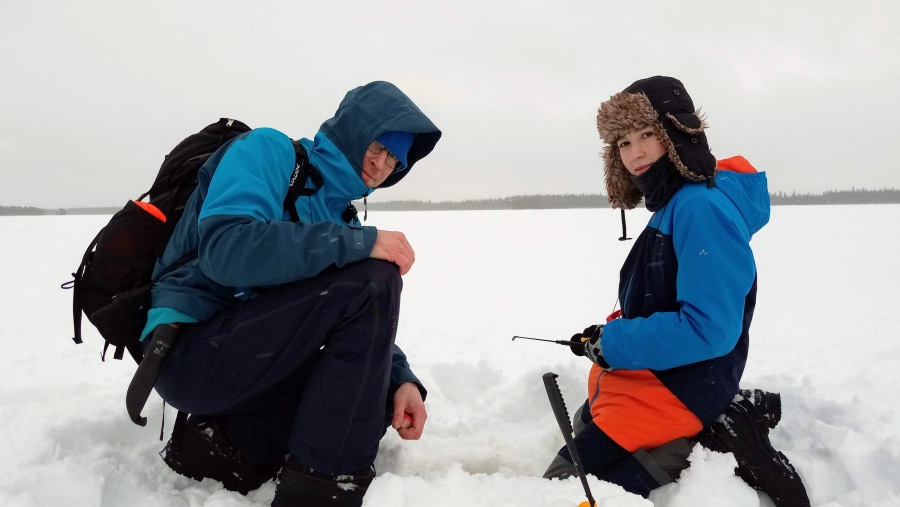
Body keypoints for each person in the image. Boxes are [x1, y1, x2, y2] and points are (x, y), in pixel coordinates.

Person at [140, 81, 441, 507]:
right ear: (356, 128)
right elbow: (226, 251)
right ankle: (320, 493)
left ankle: (223, 448)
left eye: (395, 158)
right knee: (375, 278)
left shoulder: (340, 218)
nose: (380, 165)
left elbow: (347, 317)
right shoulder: (268, 151)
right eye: (379, 145)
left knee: (365, 398)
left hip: (251, 363)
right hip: (191, 352)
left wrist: (400, 380)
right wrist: (357, 243)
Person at [543, 76, 810, 506]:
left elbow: (708, 329)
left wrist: (614, 343)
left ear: (678, 134)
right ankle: (704, 428)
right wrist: (605, 335)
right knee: (584, 423)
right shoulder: (674, 202)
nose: (636, 153)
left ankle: (717, 438)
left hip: (676, 387)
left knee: (562, 489)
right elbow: (662, 296)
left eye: (648, 134)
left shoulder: (700, 207)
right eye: (624, 143)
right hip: (657, 376)